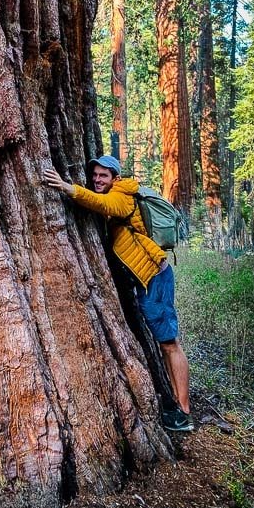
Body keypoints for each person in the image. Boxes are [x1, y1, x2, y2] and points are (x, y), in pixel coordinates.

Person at [44, 155, 193, 433]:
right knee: (163, 345)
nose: (98, 180)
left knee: (169, 343)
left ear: (115, 177)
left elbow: (103, 204)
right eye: (95, 176)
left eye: (104, 176)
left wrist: (68, 188)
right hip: (145, 279)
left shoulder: (122, 195)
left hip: (155, 277)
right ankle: (176, 402)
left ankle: (184, 413)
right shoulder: (117, 193)